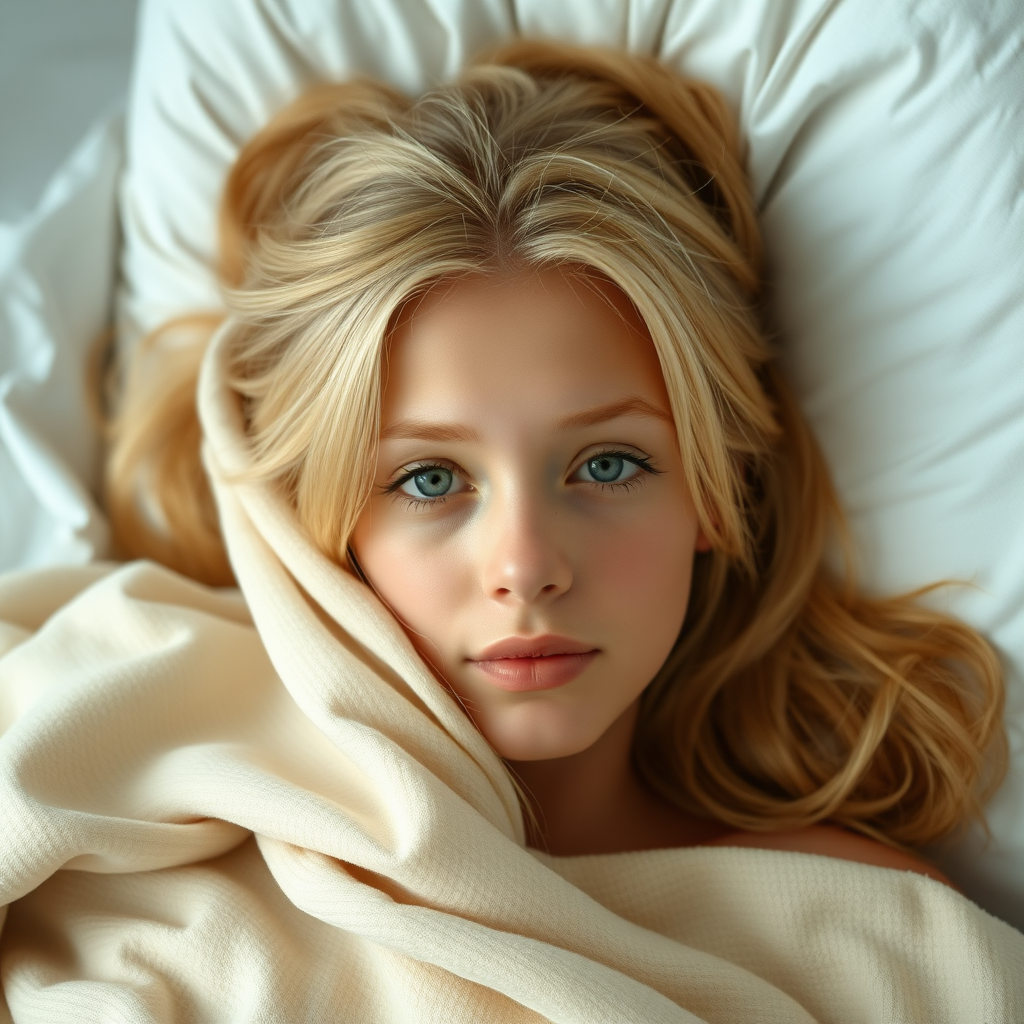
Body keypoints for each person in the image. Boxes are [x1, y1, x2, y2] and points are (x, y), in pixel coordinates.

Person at [105, 40, 1005, 888]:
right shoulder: (124, 822)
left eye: (608, 465)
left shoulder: (864, 922)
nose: (526, 568)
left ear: (715, 496)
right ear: (317, 527)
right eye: (428, 479)